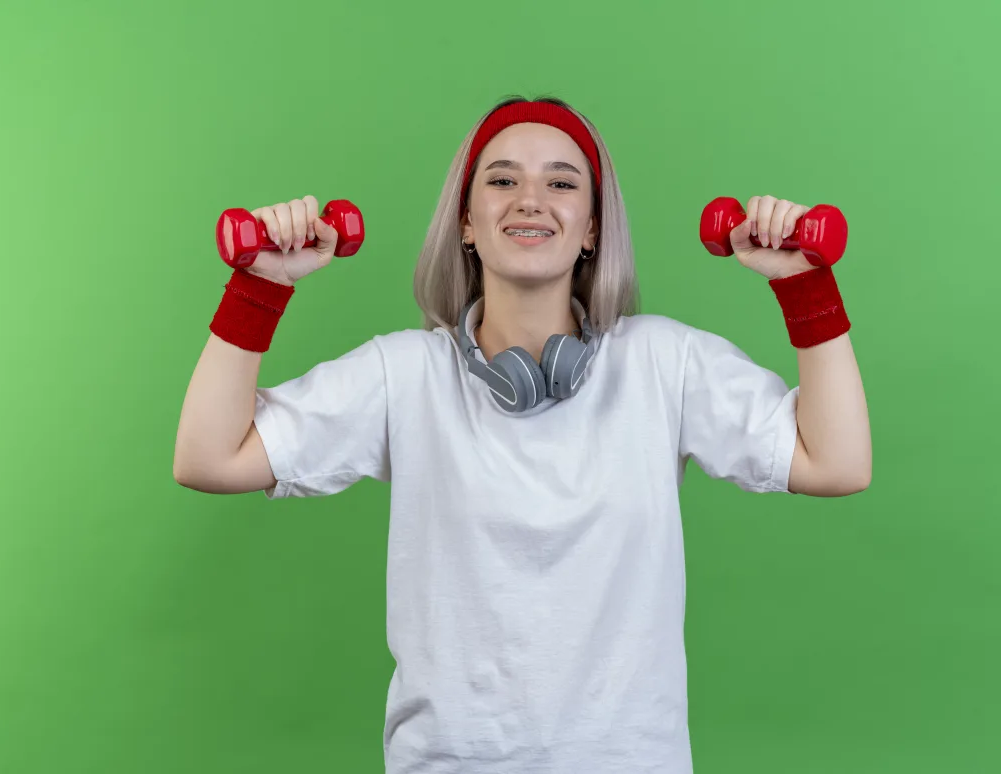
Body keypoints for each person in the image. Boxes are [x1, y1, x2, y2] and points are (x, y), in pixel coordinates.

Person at [174, 96, 872, 773]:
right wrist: (260, 284)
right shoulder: (404, 375)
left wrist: (805, 286)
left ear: (593, 227)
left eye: (561, 182)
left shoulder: (665, 363)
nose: (530, 199)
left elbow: (836, 463)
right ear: (467, 222)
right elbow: (209, 456)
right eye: (502, 179)